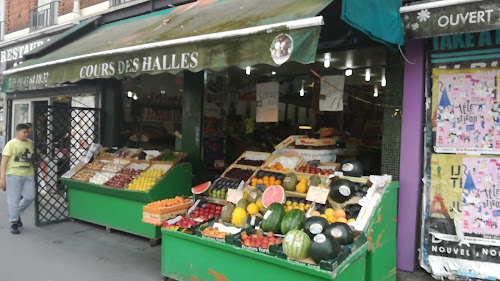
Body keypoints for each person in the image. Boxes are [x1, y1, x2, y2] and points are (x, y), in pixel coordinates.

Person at [0, 124, 35, 234]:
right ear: (17, 132)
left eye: (27, 132)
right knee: (13, 199)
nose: (26, 134)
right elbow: (4, 162)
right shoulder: (11, 144)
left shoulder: (30, 143)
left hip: (28, 174)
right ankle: (14, 222)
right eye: (24, 132)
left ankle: (15, 213)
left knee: (30, 196)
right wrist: (2, 178)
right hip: (13, 175)